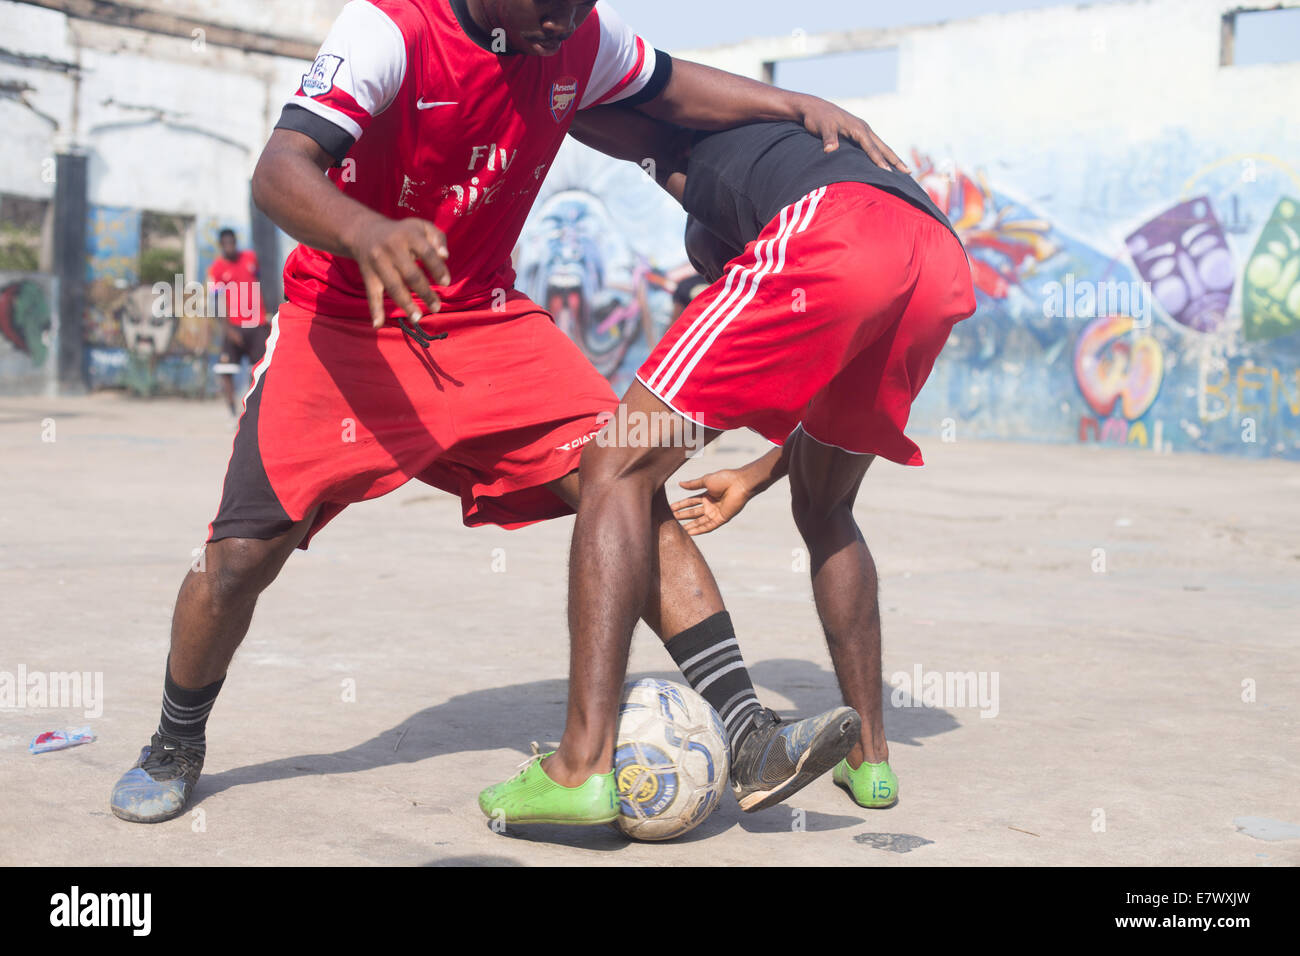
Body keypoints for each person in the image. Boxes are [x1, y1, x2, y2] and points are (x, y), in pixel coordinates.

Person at [110, 0, 909, 826]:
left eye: (581, 1)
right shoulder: (390, 28)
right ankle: (174, 742)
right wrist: (363, 229)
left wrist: (793, 102)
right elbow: (279, 168)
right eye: (549, 2)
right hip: (343, 325)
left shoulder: (575, 37)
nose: (568, 18)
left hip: (486, 322)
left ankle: (747, 731)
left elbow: (674, 86)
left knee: (628, 480)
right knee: (238, 558)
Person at [481, 105, 975, 822]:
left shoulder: (696, 157)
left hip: (838, 232)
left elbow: (610, 109)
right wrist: (750, 474)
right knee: (828, 507)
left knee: (614, 466)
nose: (724, 283)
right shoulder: (783, 152)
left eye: (721, 272)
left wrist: (539, 88)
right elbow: (811, 401)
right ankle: (870, 763)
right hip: (936, 263)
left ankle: (579, 768)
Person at [206, 228, 268, 415]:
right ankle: (232, 412)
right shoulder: (217, 269)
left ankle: (251, 411)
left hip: (257, 325)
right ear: (221, 246)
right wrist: (228, 329)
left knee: (258, 371)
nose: (230, 247)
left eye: (232, 242)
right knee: (226, 370)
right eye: (226, 243)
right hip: (234, 326)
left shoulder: (250, 258)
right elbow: (216, 300)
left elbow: (261, 282)